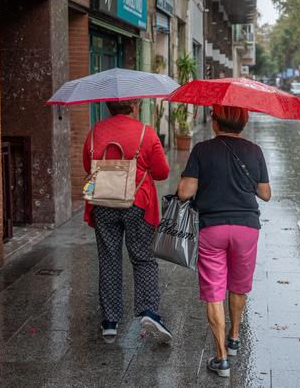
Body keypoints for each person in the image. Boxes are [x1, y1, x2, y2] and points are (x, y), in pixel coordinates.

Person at [177, 105, 271, 378]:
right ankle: (234, 336)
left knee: (214, 291)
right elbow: (265, 194)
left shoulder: (202, 150)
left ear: (215, 122)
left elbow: (184, 192)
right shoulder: (254, 151)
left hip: (213, 228)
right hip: (246, 228)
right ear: (244, 122)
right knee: (239, 286)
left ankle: (221, 359)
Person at [82, 99, 171, 344]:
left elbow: (86, 165)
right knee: (143, 258)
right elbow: (163, 172)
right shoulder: (146, 133)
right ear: (133, 105)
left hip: (103, 202)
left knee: (109, 259)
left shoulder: (95, 131)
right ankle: (149, 311)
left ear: (108, 107)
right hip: (138, 202)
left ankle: (110, 321)